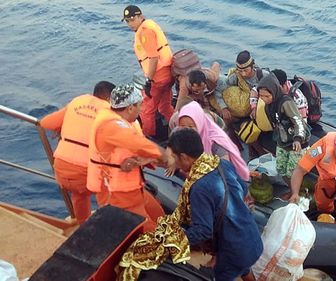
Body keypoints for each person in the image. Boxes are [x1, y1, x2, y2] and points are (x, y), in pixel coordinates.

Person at [165, 128, 262, 281]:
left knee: (221, 275)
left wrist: (172, 241)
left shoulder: (198, 188)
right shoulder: (221, 164)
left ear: (184, 157)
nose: (173, 163)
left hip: (234, 250)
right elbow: (243, 190)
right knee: (243, 268)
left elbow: (203, 230)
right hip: (252, 239)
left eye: (174, 158)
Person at [87, 84, 168, 232]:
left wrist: (146, 160)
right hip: (117, 192)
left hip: (134, 187)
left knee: (158, 214)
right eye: (140, 105)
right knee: (146, 229)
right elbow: (139, 144)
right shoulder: (110, 127)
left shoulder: (125, 122)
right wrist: (166, 155)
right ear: (130, 108)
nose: (142, 109)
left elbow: (138, 150)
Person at [39, 81, 115, 224]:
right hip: (86, 172)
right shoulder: (110, 111)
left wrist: (65, 127)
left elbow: (45, 123)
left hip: (61, 169)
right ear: (111, 98)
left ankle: (82, 224)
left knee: (79, 195)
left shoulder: (77, 101)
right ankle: (110, 223)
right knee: (110, 190)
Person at [122, 5, 175, 137]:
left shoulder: (145, 32)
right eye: (127, 21)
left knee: (146, 110)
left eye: (132, 19)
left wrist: (148, 81)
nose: (130, 24)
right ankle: (179, 128)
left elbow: (153, 58)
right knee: (165, 107)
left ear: (140, 16)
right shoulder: (149, 26)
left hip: (158, 77)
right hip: (168, 73)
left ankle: (148, 138)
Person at [174, 101, 250, 181]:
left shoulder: (214, 141)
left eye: (191, 126)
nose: (186, 130)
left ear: (199, 124)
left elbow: (224, 168)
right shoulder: (178, 133)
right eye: (182, 125)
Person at [257, 74, 310, 188]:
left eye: (267, 96)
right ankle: (290, 189)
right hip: (283, 141)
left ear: (274, 91)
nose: (264, 99)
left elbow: (298, 121)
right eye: (261, 96)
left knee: (293, 172)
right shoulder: (268, 106)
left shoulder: (286, 103)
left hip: (296, 142)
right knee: (280, 168)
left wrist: (298, 139)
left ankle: (296, 192)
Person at [226, 50, 270, 119]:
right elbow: (222, 90)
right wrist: (224, 108)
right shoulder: (235, 77)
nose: (243, 74)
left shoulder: (263, 75)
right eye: (240, 71)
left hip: (264, 109)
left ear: (252, 66)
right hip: (243, 111)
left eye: (246, 70)